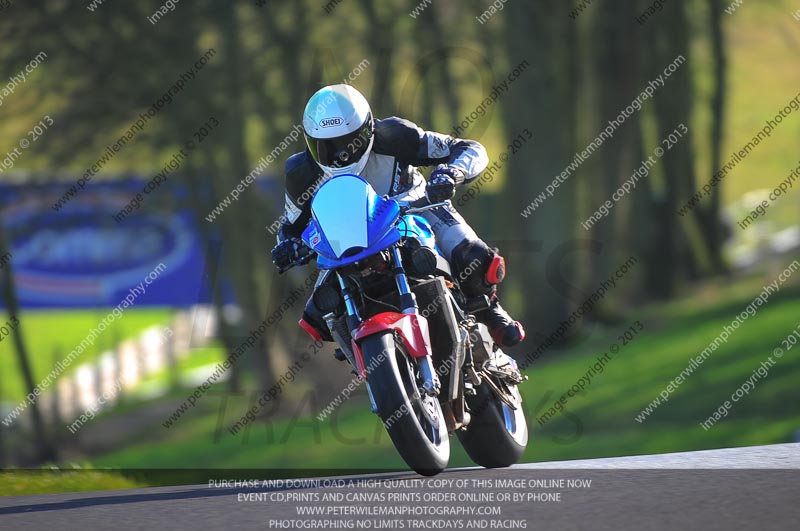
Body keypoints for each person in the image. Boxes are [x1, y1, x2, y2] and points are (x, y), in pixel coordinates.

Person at [271, 84, 525, 347]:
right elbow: (290, 226)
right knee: (319, 313)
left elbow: (468, 148)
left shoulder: (395, 134)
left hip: (414, 212)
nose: (339, 154)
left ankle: (489, 309)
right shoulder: (300, 172)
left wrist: (451, 173)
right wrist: (286, 247)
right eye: (325, 147)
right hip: (345, 241)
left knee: (474, 257)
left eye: (348, 142)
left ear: (368, 129)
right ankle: (358, 351)